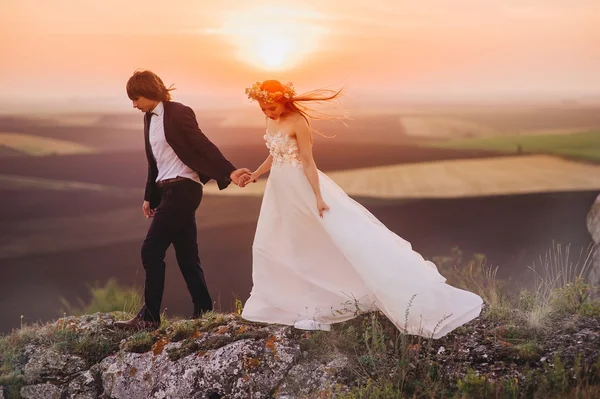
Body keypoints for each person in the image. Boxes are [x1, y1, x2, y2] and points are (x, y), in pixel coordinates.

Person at [238, 80, 483, 339]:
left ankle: (322, 306)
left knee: (319, 241)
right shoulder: (270, 120)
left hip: (301, 186)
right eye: (263, 109)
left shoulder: (299, 122)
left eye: (271, 107)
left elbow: (308, 162)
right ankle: (297, 302)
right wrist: (256, 174)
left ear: (283, 100)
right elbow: (275, 154)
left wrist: (318, 196)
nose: (268, 113)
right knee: (285, 242)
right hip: (279, 189)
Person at [115, 70, 251, 330]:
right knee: (187, 256)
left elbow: (202, 143)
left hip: (184, 189)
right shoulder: (148, 119)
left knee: (151, 249)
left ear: (151, 92)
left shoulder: (179, 112)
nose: (134, 105)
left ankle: (149, 317)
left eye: (137, 98)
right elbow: (154, 162)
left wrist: (230, 171)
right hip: (166, 190)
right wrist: (149, 196)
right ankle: (204, 311)